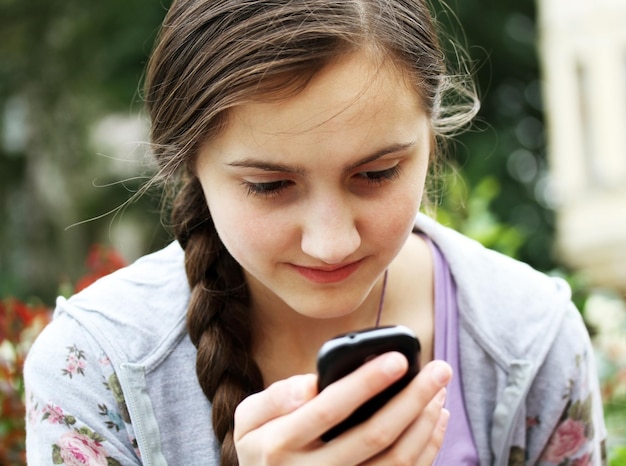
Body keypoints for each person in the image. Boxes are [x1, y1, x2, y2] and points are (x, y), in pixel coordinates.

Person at [24, 0, 607, 465]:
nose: (332, 243)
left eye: (376, 174)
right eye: (270, 185)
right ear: (189, 163)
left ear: (432, 138)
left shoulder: (528, 344)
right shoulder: (98, 370)